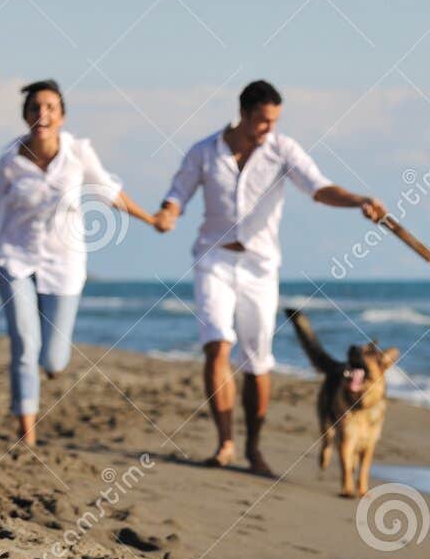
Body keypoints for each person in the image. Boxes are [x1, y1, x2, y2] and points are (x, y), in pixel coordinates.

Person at [155, 80, 386, 475]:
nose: (269, 128)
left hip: (261, 268)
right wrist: (168, 212)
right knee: (216, 345)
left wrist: (359, 200)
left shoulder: (283, 150)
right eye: (262, 121)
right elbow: (177, 193)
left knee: (258, 362)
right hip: (214, 260)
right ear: (243, 113)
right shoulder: (204, 152)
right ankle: (225, 442)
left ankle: (254, 448)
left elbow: (320, 188)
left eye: (274, 121)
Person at [0, 79, 162, 446]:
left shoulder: (78, 153)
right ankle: (27, 433)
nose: (41, 114)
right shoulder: (9, 163)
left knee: (53, 358)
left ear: (62, 115)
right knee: (24, 343)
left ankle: (51, 369)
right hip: (14, 260)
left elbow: (109, 192)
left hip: (64, 264)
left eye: (49, 107)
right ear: (25, 115)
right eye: (35, 108)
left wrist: (151, 219)